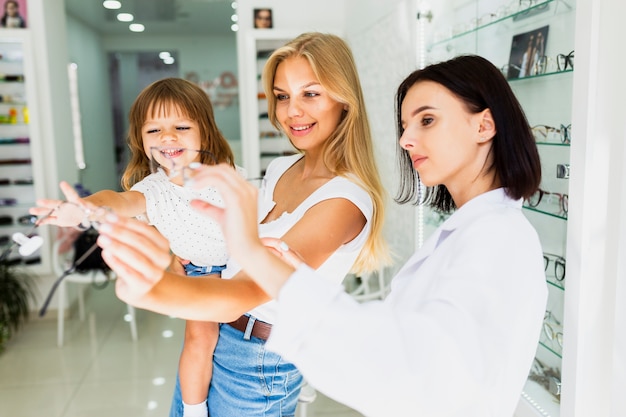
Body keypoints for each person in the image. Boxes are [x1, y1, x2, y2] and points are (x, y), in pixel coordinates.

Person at [97, 54, 549, 416]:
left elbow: (413, 374)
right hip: (229, 343)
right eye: (281, 95)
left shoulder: (495, 239)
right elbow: (398, 345)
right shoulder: (280, 170)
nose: (407, 139)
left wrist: (155, 288)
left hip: (258, 360)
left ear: (484, 125)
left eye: (426, 121)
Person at [30, 77, 239, 417]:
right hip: (203, 271)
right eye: (154, 130)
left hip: (242, 266)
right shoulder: (153, 189)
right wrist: (84, 210)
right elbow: (116, 200)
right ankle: (193, 409)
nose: (168, 137)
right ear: (141, 139)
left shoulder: (227, 173)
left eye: (181, 126)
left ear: (205, 131)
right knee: (201, 339)